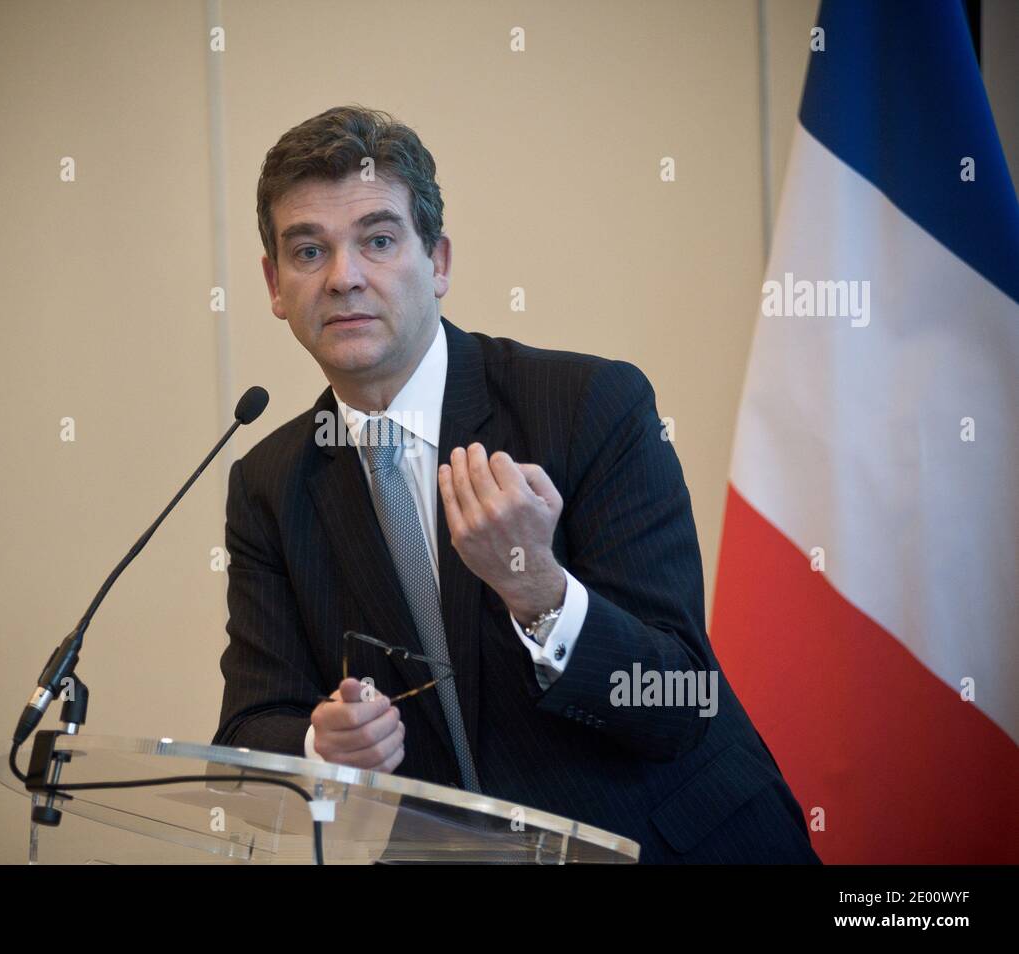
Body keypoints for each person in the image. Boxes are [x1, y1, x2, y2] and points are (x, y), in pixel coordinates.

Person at [212, 105, 819, 863]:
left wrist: (541, 593)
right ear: (275, 284)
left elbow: (680, 700)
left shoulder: (591, 405)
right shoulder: (269, 484)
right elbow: (244, 736)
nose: (344, 277)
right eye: (309, 250)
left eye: (377, 239)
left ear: (437, 261)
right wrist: (316, 739)